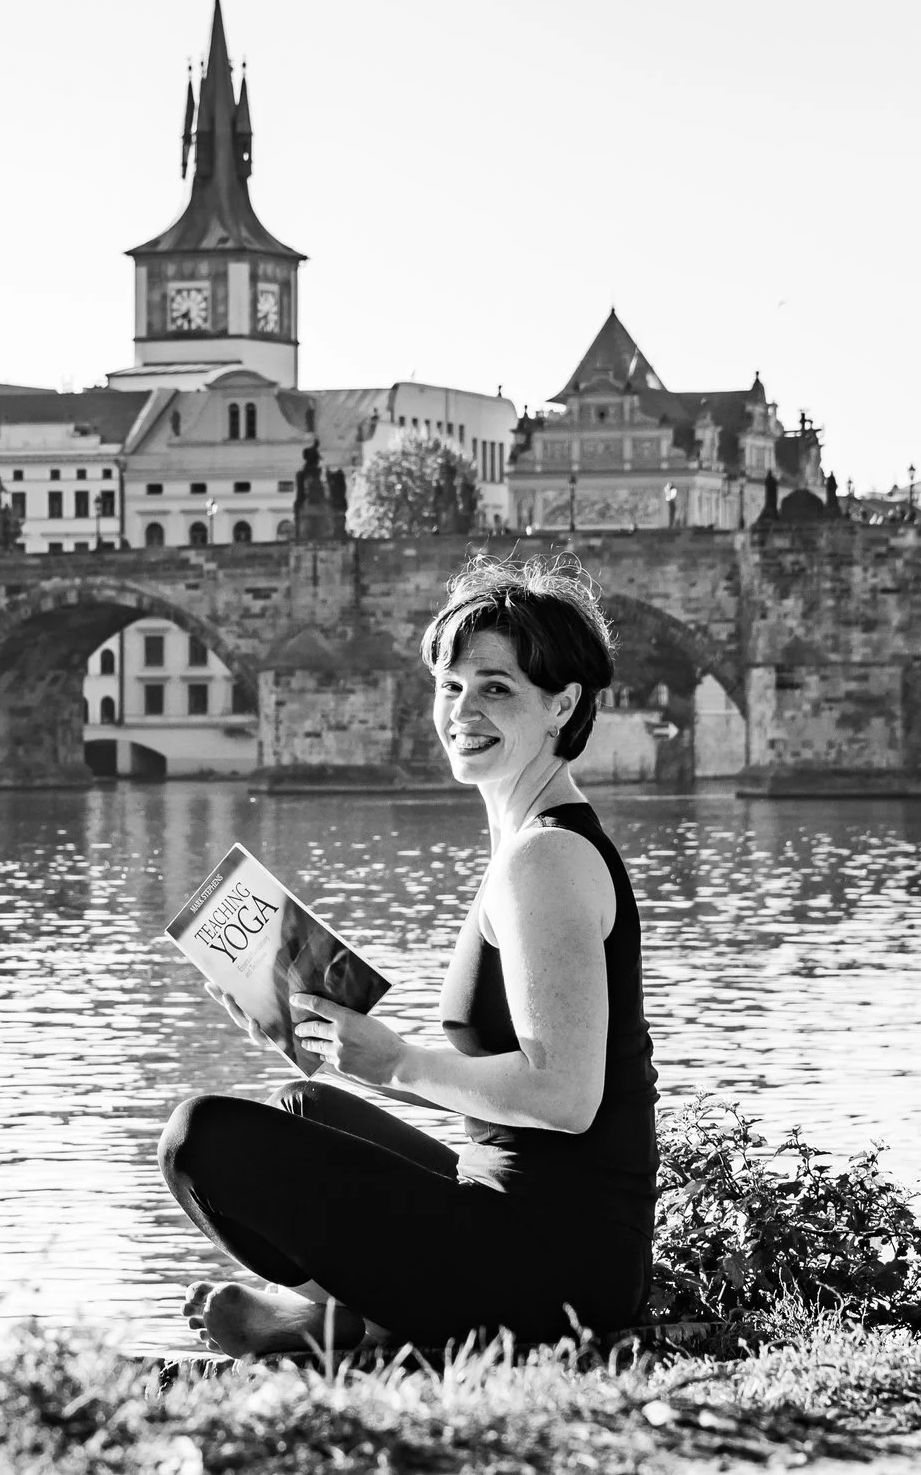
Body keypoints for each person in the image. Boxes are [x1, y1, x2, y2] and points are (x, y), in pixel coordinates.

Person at [158, 556, 659, 1358]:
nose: (464, 709)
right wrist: (305, 1020)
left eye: (496, 687)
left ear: (562, 704)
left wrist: (393, 1063)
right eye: (452, 685)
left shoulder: (547, 861)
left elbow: (566, 1095)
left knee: (198, 1138)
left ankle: (348, 1316)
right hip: (526, 1222)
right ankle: (344, 1311)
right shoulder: (527, 844)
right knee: (301, 1106)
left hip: (557, 1269)